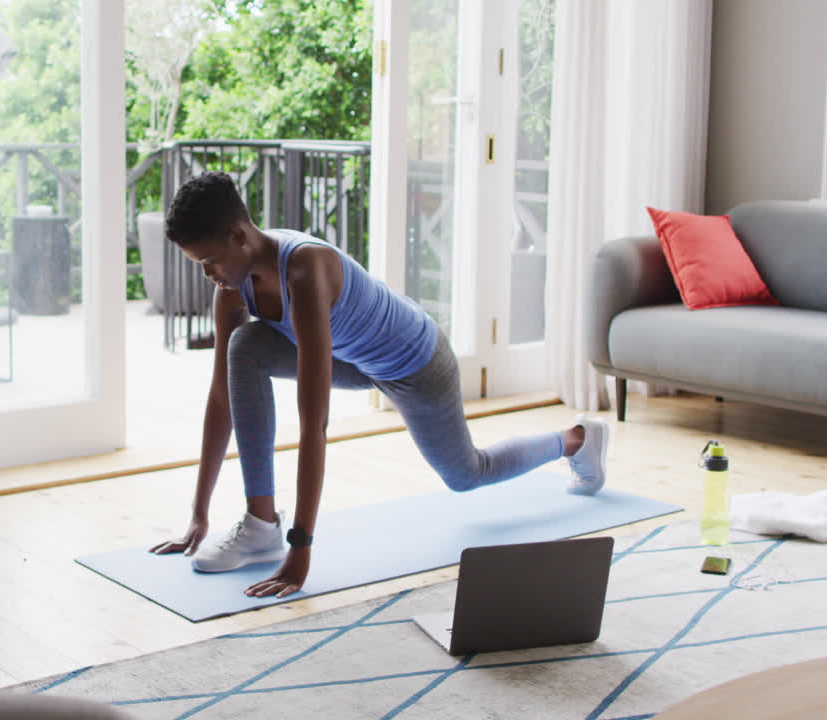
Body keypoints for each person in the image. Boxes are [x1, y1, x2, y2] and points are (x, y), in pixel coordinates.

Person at [148, 172, 608, 598]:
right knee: (244, 348)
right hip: (355, 358)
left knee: (467, 474)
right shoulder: (232, 286)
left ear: (238, 235)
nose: (208, 273)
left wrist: (302, 547)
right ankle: (260, 523)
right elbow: (220, 397)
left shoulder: (305, 270)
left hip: (416, 363)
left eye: (209, 260)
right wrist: (198, 514)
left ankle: (576, 440)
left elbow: (315, 424)